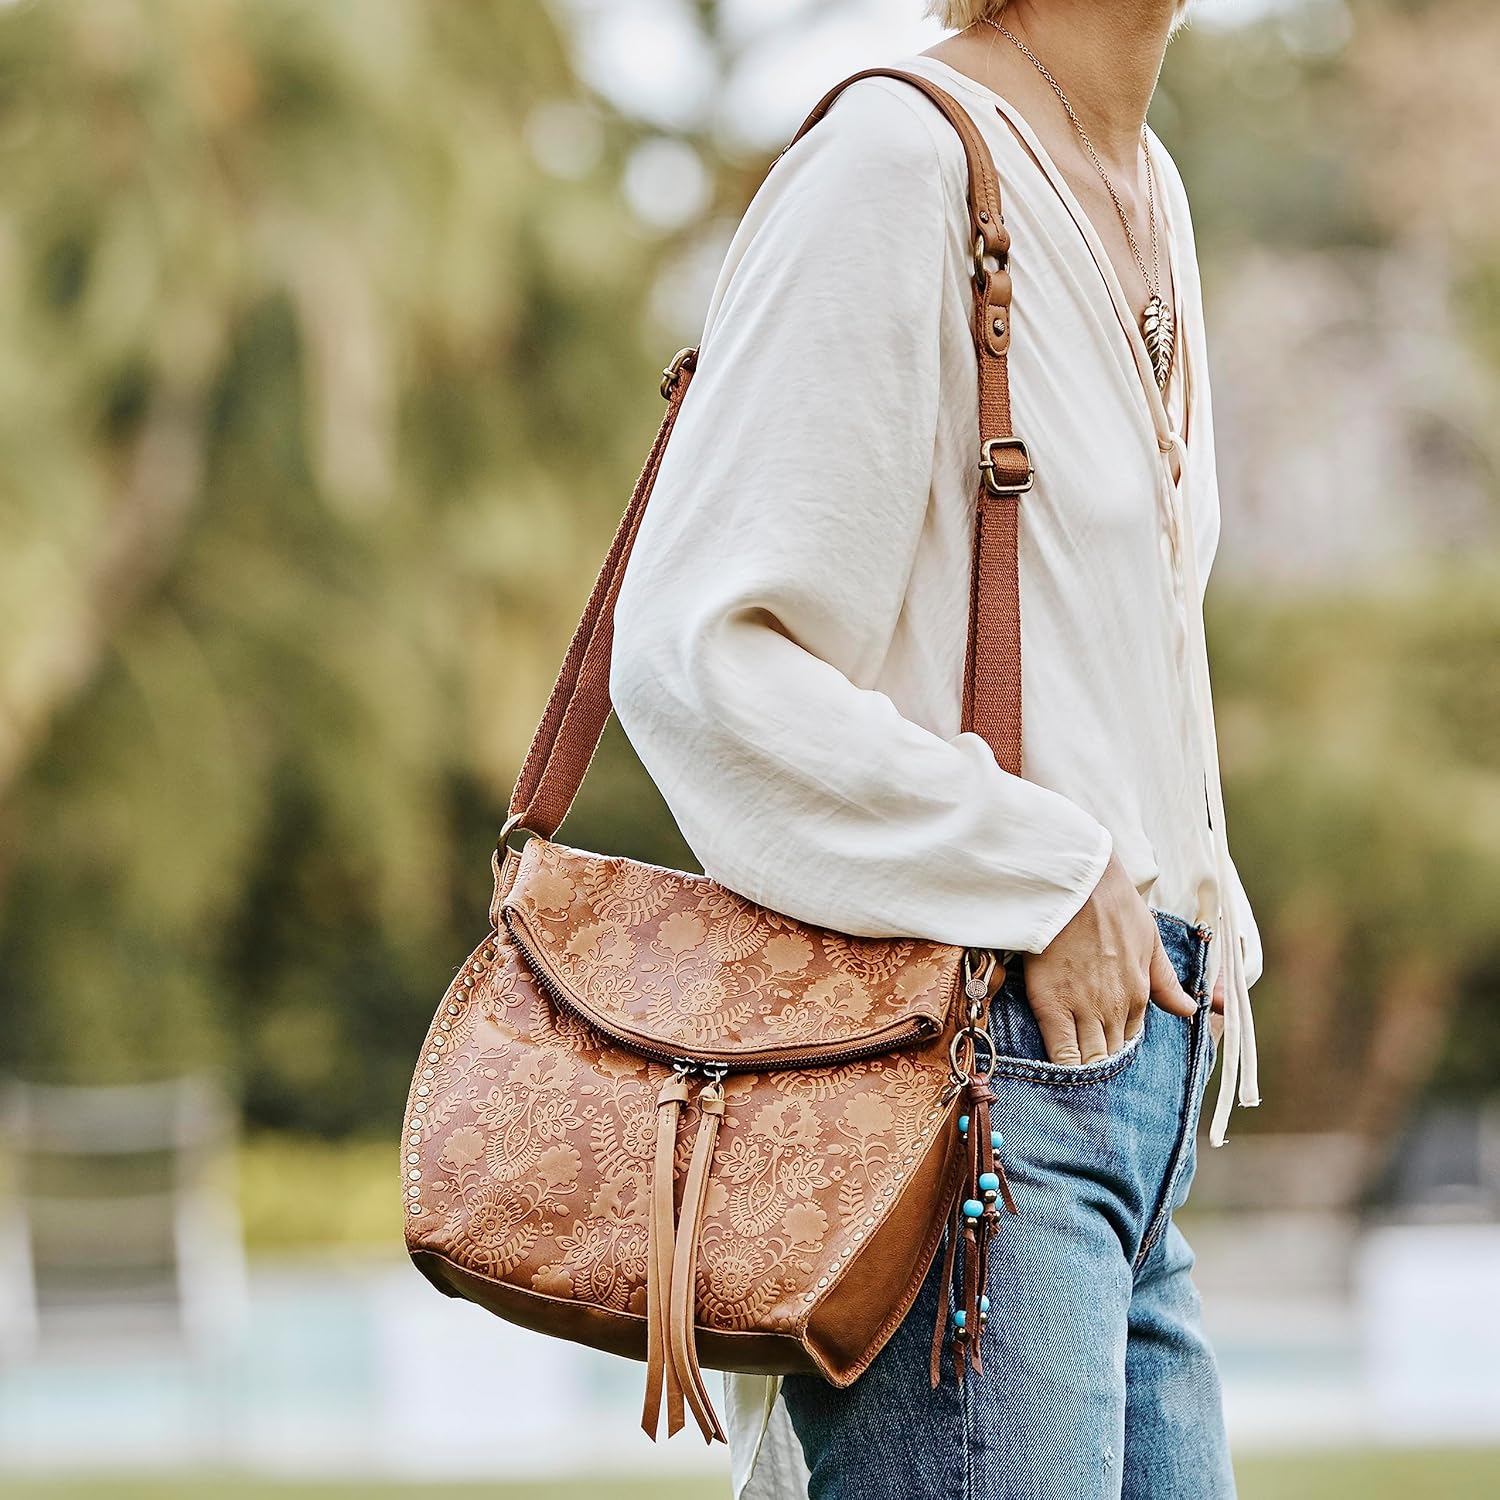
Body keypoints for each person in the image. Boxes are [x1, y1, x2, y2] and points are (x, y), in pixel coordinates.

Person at [607, 2, 1262, 1496]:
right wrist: (1047, 867)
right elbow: (697, 650)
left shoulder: (1150, 188)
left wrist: (1187, 900)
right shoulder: (899, 160)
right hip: (975, 1076)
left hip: (1134, 1101)